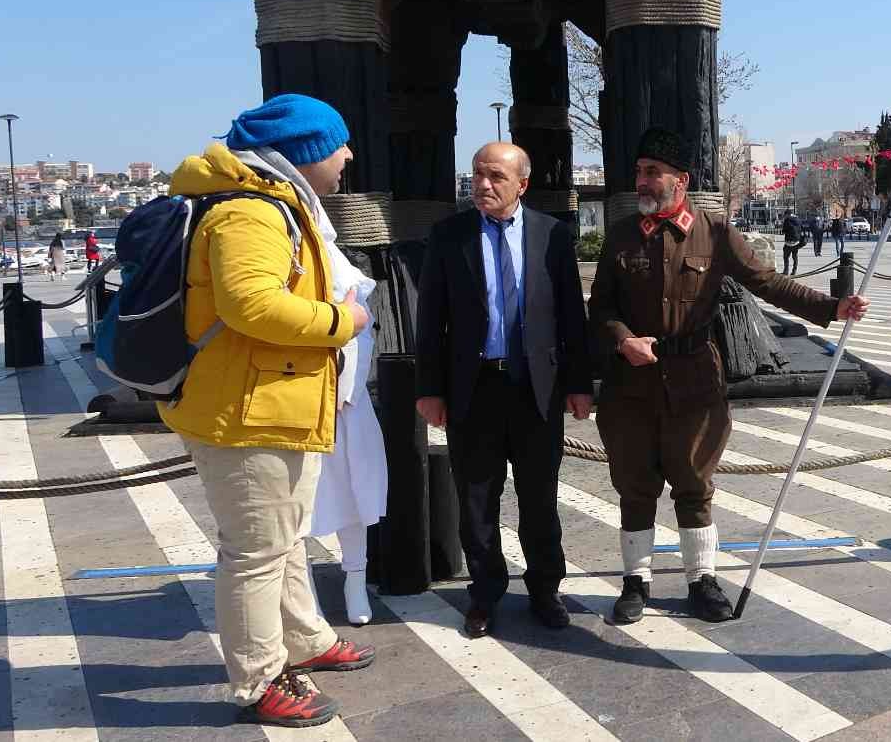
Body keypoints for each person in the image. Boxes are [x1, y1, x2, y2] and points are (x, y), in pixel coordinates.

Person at [589, 127, 869, 624]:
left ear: (681, 180)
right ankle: (637, 582)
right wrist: (621, 338)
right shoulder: (623, 235)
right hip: (629, 386)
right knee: (634, 485)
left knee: (694, 483)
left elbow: (768, 282)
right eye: (639, 172)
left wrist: (832, 307)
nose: (644, 182)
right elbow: (602, 305)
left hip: (695, 382)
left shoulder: (715, 233)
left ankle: (702, 580)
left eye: (654, 173)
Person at [160, 94, 376, 729]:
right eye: (339, 144)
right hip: (248, 412)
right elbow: (251, 306)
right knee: (254, 550)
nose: (348, 155)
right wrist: (345, 321)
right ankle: (258, 679)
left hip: (271, 402)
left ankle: (304, 638)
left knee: (284, 537)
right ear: (306, 152)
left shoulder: (271, 202)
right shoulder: (251, 212)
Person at [415, 142, 593, 639]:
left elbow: (571, 318)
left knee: (540, 498)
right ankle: (485, 594)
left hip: (537, 389)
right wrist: (429, 389)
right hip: (473, 388)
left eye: (495, 176)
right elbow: (430, 319)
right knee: (476, 500)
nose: (483, 184)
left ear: (522, 184)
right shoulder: (449, 236)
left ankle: (544, 590)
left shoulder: (552, 235)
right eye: (477, 174)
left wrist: (579, 384)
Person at [308, 192, 388, 629]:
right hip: (296, 403)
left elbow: (361, 336)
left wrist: (347, 390)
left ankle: (354, 578)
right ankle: (302, 595)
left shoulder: (343, 269)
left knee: (355, 496)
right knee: (297, 505)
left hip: (344, 403)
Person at [780, 211, 803, 275]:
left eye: (785, 215)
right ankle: (794, 271)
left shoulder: (787, 220)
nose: (785, 216)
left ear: (787, 214)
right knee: (795, 257)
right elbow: (801, 229)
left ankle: (786, 271)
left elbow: (783, 231)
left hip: (788, 242)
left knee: (786, 257)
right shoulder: (798, 220)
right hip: (796, 242)